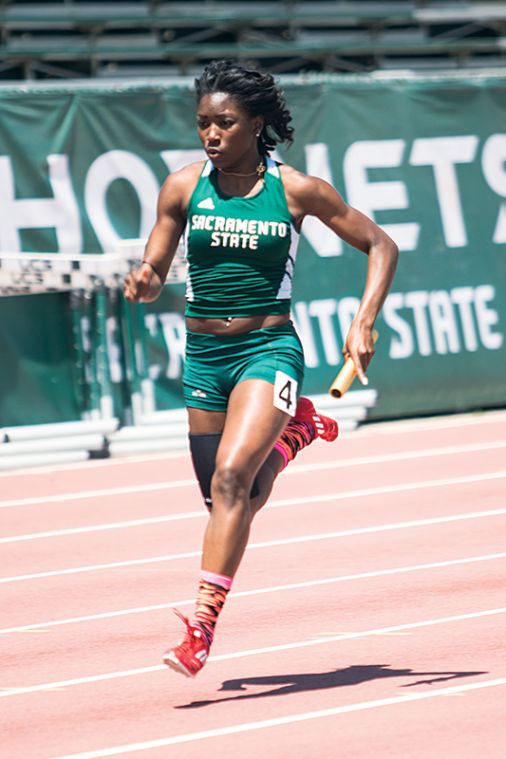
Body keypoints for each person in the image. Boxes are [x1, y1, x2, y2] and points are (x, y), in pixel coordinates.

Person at [123, 59, 398, 678]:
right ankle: (296, 434)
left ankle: (200, 627)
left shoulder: (298, 191)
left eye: (224, 123)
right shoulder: (181, 187)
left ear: (256, 124)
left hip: (267, 350)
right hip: (204, 357)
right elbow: (154, 267)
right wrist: (143, 281)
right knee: (229, 496)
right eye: (203, 124)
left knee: (229, 481)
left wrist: (364, 321)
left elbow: (382, 243)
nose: (211, 135)